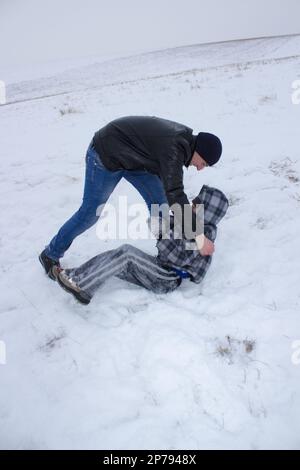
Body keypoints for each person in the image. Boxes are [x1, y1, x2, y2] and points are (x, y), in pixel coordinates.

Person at [39, 116, 223, 280]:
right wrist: (199, 237)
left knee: (161, 207)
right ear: (199, 150)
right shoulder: (174, 149)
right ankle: (50, 254)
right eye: (203, 163)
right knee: (89, 213)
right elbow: (175, 192)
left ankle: (171, 254)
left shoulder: (183, 143)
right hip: (106, 155)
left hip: (135, 161)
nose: (200, 168)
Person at [52, 186, 228, 305]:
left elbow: (179, 254)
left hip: (167, 278)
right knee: (117, 258)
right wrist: (161, 224)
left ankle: (82, 285)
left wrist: (164, 233)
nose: (190, 206)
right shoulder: (190, 223)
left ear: (207, 211)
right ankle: (75, 275)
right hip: (160, 270)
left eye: (195, 206)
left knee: (126, 254)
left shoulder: (205, 235)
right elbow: (172, 233)